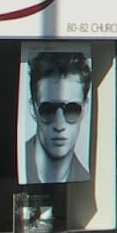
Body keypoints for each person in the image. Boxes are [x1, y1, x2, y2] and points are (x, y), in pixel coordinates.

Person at [21, 49, 92, 184]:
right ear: (33, 109)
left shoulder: (86, 179)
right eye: (48, 110)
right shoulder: (17, 163)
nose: (59, 126)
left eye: (71, 110)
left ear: (85, 109)